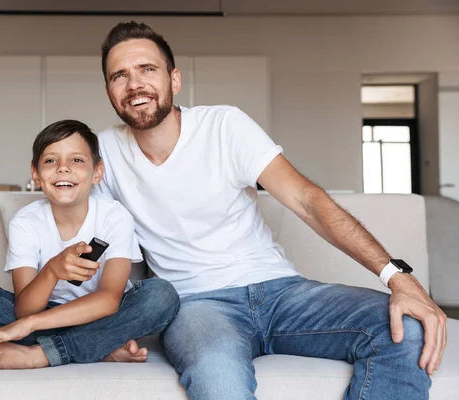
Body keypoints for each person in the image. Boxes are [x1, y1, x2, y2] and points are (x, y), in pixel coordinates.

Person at [94, 21, 447, 399]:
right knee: (219, 377)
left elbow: (307, 200)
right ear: (110, 91)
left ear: (174, 80)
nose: (135, 85)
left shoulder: (224, 125)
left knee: (405, 326)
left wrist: (398, 277)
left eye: (147, 69)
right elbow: (98, 246)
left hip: (280, 293)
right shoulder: (104, 153)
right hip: (198, 306)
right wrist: (104, 336)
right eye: (120, 76)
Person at [0, 119, 180, 371]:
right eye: (50, 161)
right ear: (36, 174)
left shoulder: (114, 216)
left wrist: (30, 326)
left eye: (77, 160)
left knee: (160, 296)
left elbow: (109, 300)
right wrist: (51, 271)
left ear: (97, 172)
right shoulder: (25, 222)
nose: (63, 169)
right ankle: (99, 347)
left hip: (101, 315)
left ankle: (39, 355)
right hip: (52, 317)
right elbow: (24, 309)